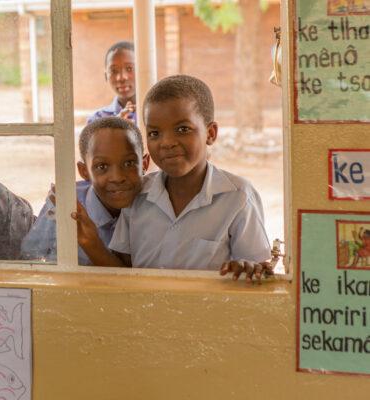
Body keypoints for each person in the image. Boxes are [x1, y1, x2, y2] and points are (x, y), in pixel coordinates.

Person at [74, 75, 272, 281]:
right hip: (144, 312)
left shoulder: (238, 197)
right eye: (154, 133)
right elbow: (124, 273)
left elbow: (259, 269)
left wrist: (249, 268)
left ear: (211, 133)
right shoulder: (138, 197)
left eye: (182, 129)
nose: (167, 143)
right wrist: (92, 244)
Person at [20, 117, 145, 265]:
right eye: (102, 167)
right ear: (84, 171)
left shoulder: (153, 207)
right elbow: (30, 259)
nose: (117, 178)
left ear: (145, 164)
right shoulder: (67, 203)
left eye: (129, 163)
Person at [87, 41, 136, 125]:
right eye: (113, 71)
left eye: (129, 68)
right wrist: (112, 128)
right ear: (106, 75)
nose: (121, 77)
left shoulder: (155, 114)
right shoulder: (97, 120)